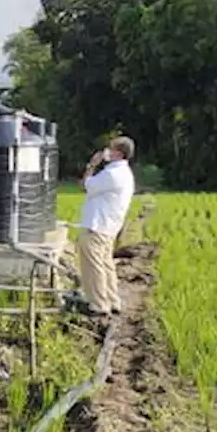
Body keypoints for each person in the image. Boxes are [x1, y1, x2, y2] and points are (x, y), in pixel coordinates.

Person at [76, 136, 136, 317]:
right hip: (109, 227)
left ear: (118, 153)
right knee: (106, 264)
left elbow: (86, 185)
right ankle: (112, 300)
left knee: (93, 266)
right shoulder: (124, 174)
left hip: (97, 226)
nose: (106, 152)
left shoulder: (112, 174)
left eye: (110, 149)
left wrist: (91, 165)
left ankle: (98, 305)